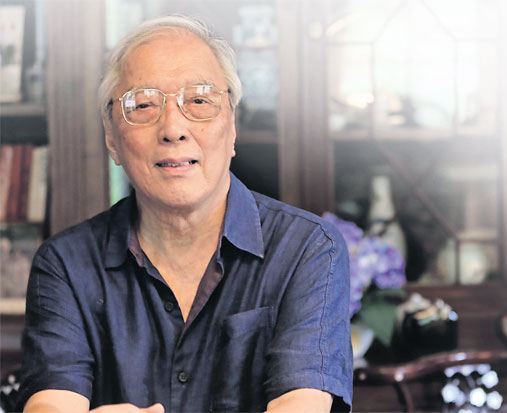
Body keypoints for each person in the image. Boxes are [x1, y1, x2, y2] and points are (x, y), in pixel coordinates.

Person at [17, 14, 352, 413]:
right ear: (111, 138)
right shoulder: (66, 264)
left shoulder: (306, 249)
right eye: (143, 105)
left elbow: (301, 404)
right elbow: (50, 402)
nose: (173, 129)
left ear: (232, 127)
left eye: (199, 101)